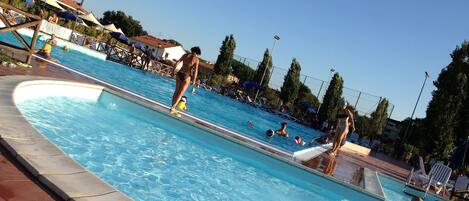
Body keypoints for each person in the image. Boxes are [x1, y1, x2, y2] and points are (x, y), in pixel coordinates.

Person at [170, 47, 201, 115]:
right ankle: (173, 107)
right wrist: (194, 80)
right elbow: (195, 71)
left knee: (176, 91)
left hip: (179, 73)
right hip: (187, 76)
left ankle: (172, 106)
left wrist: (173, 71)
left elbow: (177, 62)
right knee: (180, 93)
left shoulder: (185, 55)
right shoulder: (196, 59)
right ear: (197, 53)